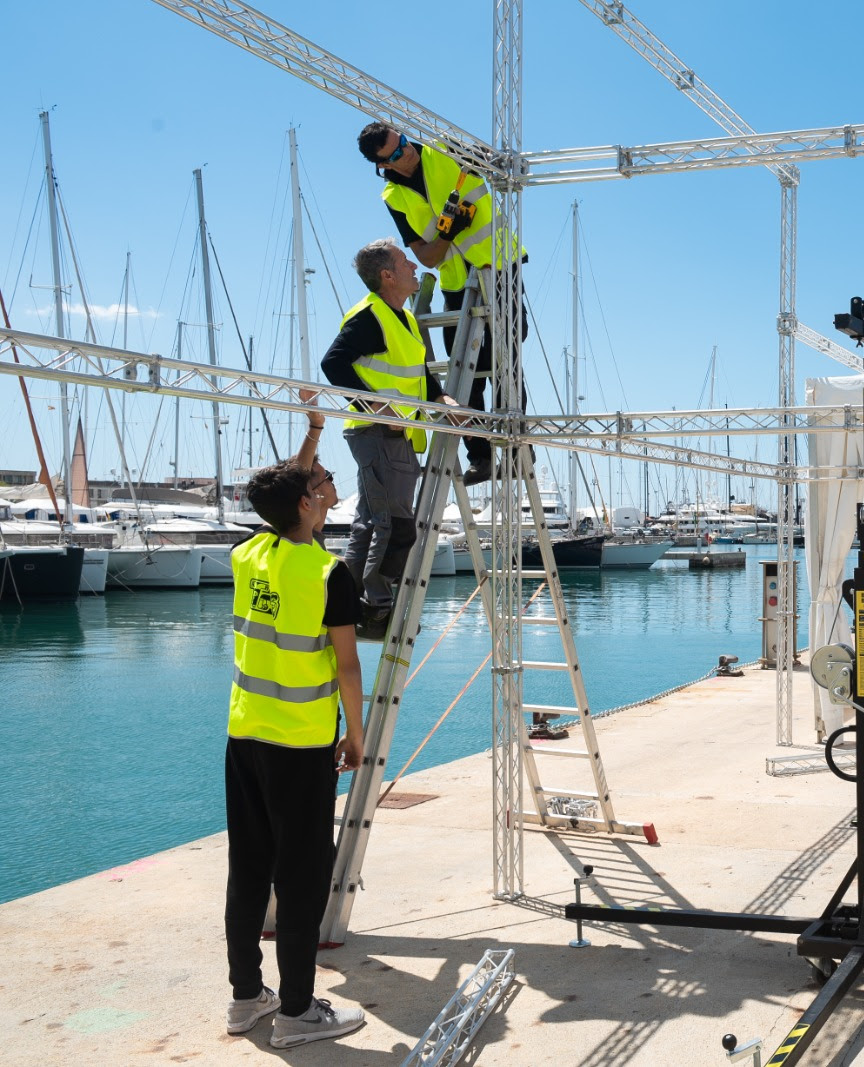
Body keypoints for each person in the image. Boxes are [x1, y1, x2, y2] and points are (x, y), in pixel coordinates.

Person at [224, 407, 368, 1048]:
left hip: (245, 737)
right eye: (319, 490)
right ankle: (299, 1013)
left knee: (248, 870)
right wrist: (357, 734)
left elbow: (284, 494)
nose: (325, 493)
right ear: (310, 505)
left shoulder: (249, 554)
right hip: (301, 746)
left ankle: (247, 997)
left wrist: (312, 434)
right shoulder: (328, 574)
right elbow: (346, 666)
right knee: (303, 877)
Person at [356, 122, 526, 485]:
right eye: (397, 152)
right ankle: (480, 457)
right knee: (466, 370)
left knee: (505, 362)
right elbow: (428, 257)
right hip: (455, 281)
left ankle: (515, 451)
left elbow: (497, 163)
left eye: (403, 142)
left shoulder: (442, 148)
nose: (408, 150)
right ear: (383, 165)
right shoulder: (394, 198)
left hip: (496, 265)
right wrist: (448, 230)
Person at [322, 238, 460, 637]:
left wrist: (440, 396)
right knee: (391, 525)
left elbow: (419, 373)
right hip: (377, 433)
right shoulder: (371, 316)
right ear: (387, 275)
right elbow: (333, 363)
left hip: (393, 437)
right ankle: (377, 609)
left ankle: (355, 604)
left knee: (373, 524)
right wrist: (376, 409)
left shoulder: (403, 318)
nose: (415, 266)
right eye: (405, 262)